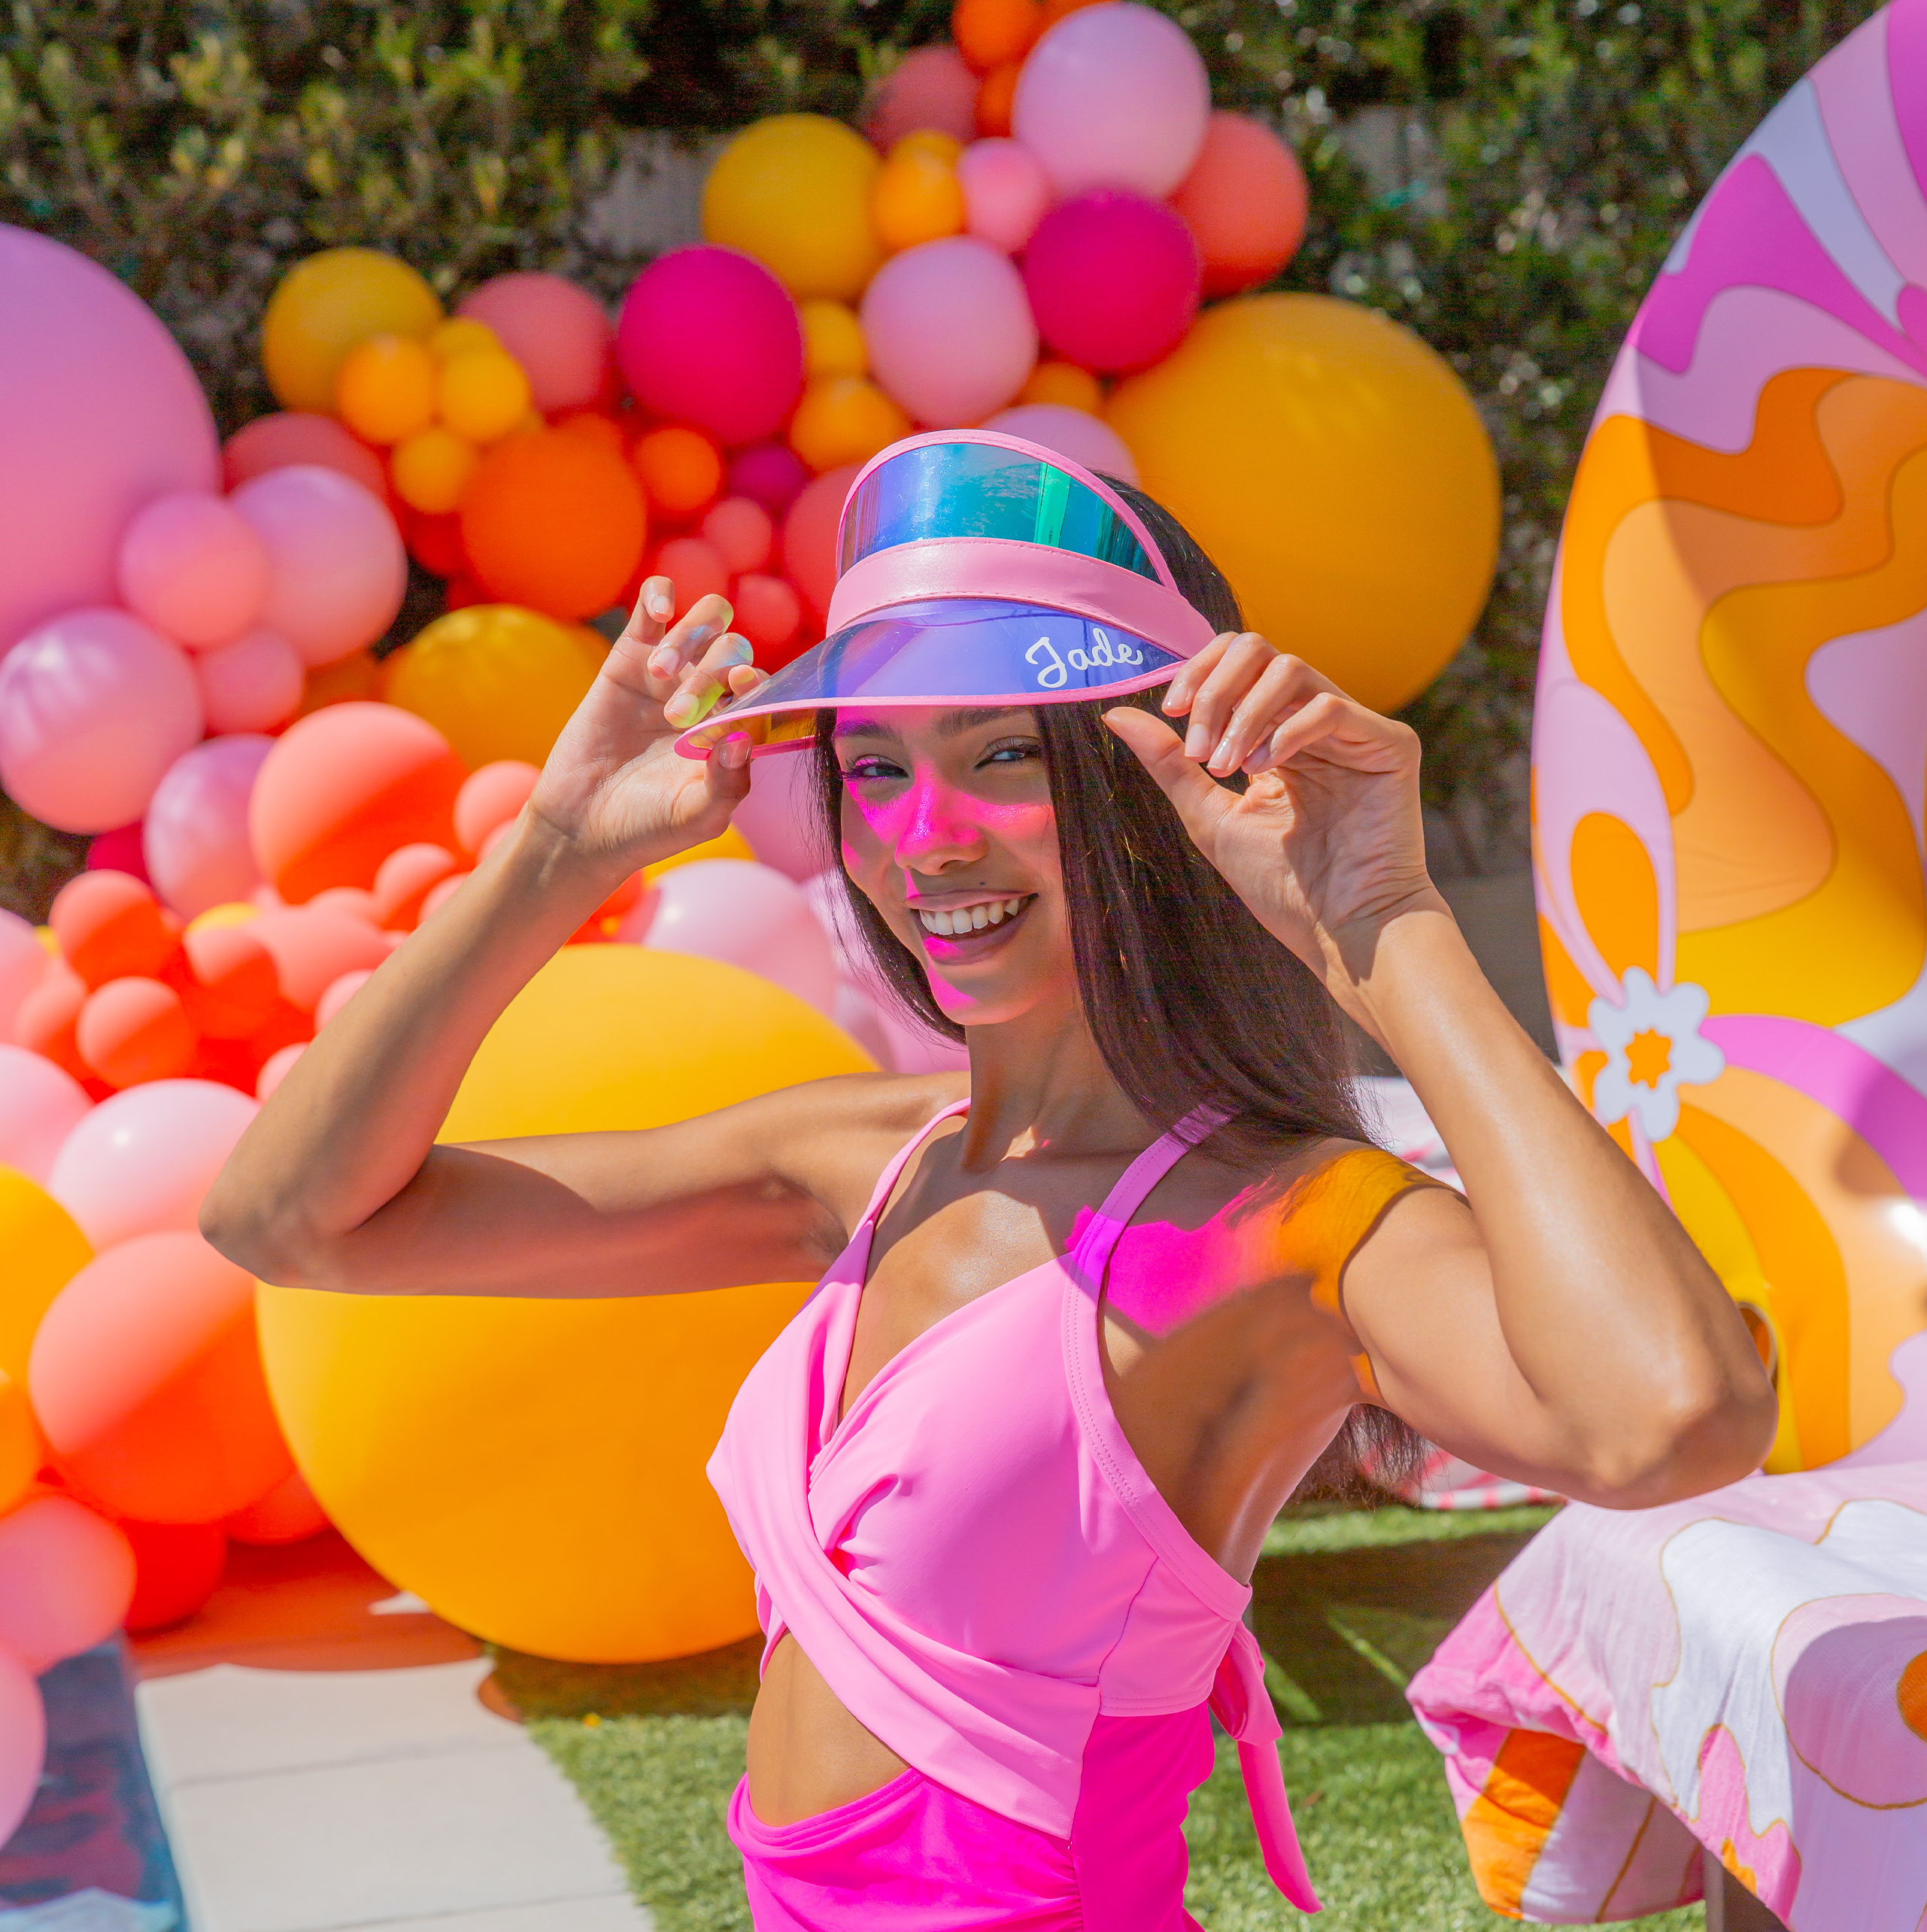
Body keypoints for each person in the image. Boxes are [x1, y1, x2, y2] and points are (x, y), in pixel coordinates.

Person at [203, 432, 1776, 1930]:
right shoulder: (856, 1158)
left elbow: (1674, 1417)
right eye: (874, 768)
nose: (922, 839)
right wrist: (552, 848)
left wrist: (1385, 921)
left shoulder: (1276, 1226)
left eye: (1004, 754)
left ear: (1150, 784)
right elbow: (289, 1221)